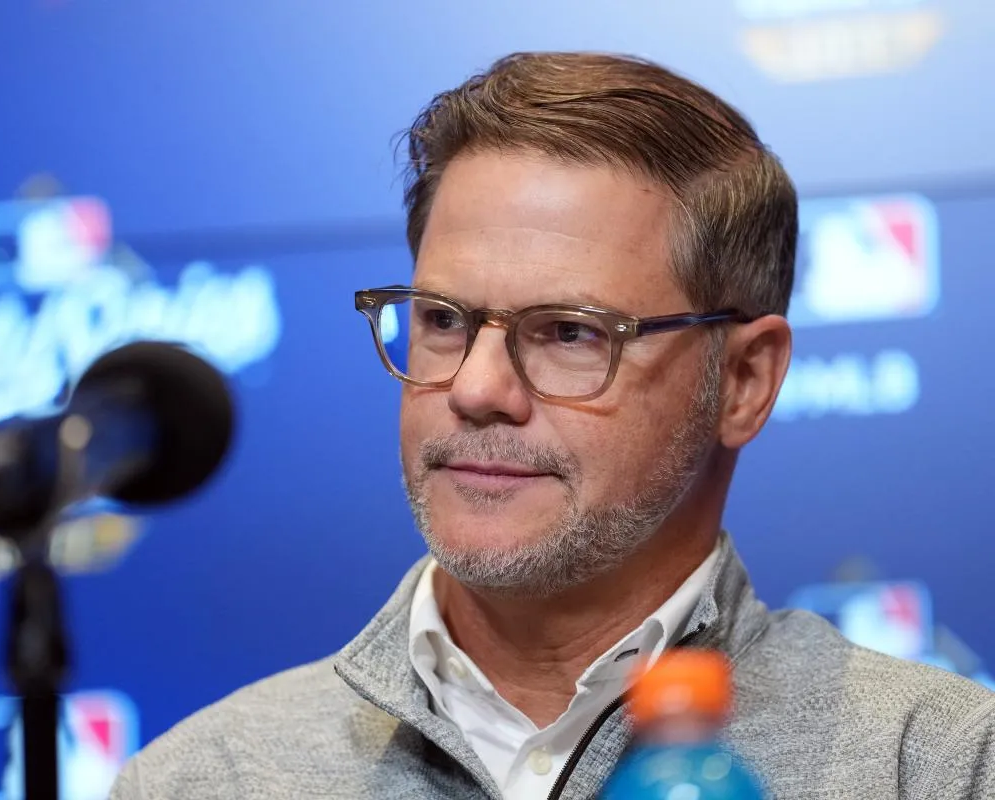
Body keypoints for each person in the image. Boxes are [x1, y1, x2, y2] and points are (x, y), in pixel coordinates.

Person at [111, 52, 995, 799]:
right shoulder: (205, 777)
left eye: (571, 333)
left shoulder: (935, 767)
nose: (477, 389)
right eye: (444, 320)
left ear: (745, 381)